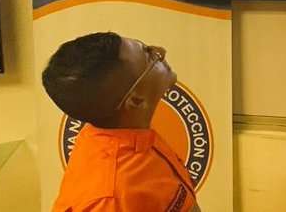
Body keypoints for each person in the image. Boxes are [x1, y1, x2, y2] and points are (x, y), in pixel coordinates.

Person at [42, 32, 201, 212]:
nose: (161, 51)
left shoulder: (128, 133)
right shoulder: (109, 201)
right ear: (135, 100)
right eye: (150, 56)